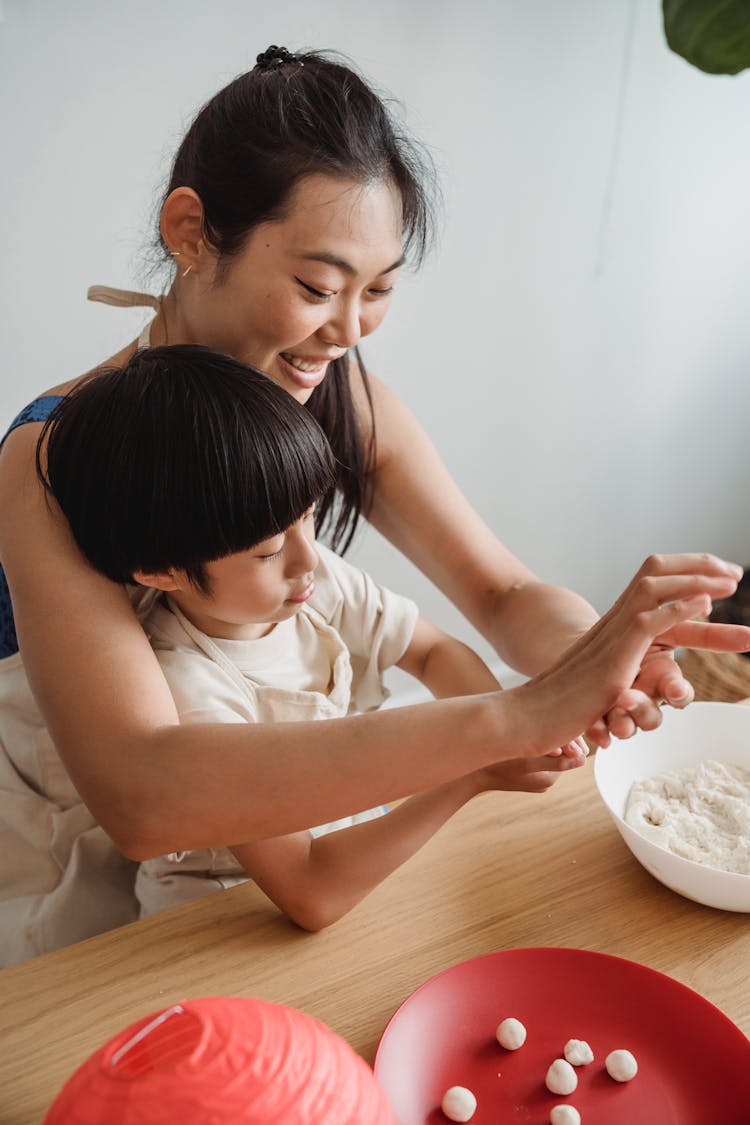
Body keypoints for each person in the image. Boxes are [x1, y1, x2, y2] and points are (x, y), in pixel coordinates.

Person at [0, 46, 748, 956]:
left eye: (380, 290)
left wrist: (603, 662)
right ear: (192, 232)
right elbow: (144, 791)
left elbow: (505, 597)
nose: (348, 330)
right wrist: (511, 719)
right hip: (80, 866)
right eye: (317, 287)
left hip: (271, 861)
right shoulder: (52, 452)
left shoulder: (338, 390)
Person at [15, 345, 587, 948]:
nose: (307, 556)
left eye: (308, 515)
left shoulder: (309, 578)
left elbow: (432, 652)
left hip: (355, 861)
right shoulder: (188, 687)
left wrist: (514, 745)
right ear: (163, 571)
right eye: (266, 551)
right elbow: (310, 890)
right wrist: (472, 774)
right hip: (226, 927)